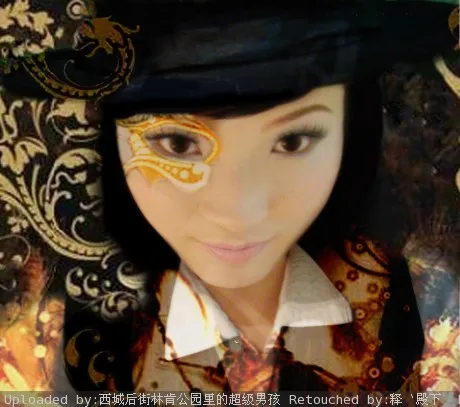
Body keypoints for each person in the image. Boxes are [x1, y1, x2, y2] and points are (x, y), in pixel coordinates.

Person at [0, 0, 457, 396]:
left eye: (293, 140)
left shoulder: (435, 317)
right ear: (112, 130)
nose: (239, 208)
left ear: (348, 126)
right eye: (178, 143)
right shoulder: (37, 349)